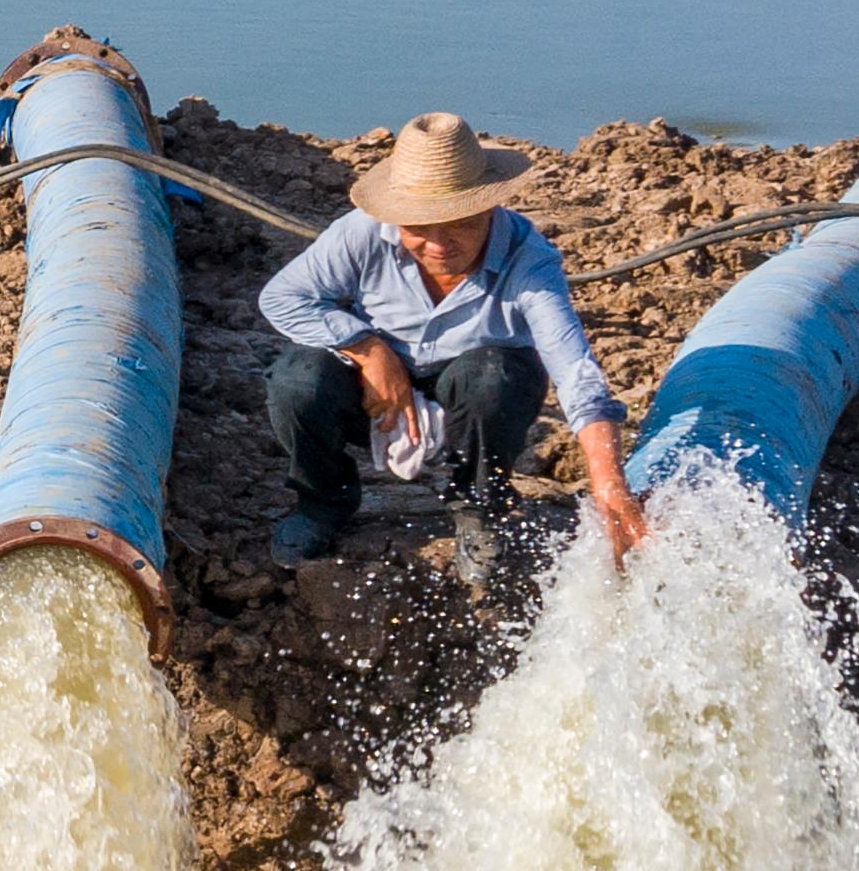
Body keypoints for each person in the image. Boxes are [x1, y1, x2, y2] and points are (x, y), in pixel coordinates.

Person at [259, 110, 648, 584]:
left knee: (496, 376)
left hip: (473, 399)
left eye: (458, 223)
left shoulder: (529, 260)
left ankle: (479, 507)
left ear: (488, 208)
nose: (438, 245)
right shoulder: (361, 234)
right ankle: (323, 502)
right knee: (298, 378)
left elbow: (573, 368)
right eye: (418, 227)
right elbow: (281, 297)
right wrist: (367, 348)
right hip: (374, 396)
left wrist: (609, 485)